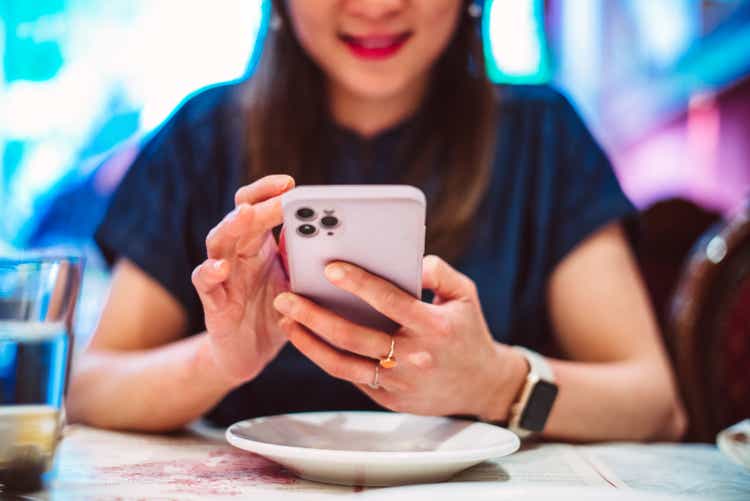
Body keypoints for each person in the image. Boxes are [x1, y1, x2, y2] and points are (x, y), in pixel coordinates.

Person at [67, 0, 687, 441]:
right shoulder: (201, 135)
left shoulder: (543, 135)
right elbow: (90, 387)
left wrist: (495, 382)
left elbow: (656, 405)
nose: (378, 5)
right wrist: (223, 361)